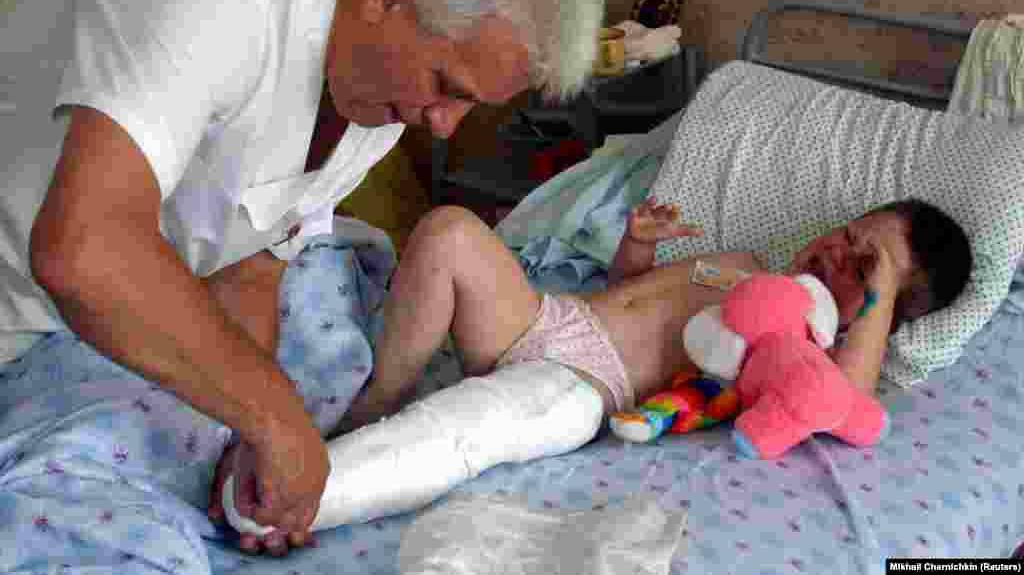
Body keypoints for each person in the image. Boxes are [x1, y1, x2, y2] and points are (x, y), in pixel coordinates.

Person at [0, 0, 602, 557]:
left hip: (98, 317)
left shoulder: (375, 99)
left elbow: (253, 265)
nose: (442, 126)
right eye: (446, 86)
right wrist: (274, 416)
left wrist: (241, 437)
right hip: (24, 315)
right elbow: (82, 249)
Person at [217, 196, 970, 535]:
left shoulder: (804, 351)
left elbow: (843, 394)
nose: (838, 251)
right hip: (552, 319)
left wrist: (873, 296)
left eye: (861, 262)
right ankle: (376, 394)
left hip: (585, 384)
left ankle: (300, 497)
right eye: (846, 234)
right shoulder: (744, 263)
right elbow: (627, 296)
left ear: (884, 305)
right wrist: (638, 249)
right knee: (448, 229)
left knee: (454, 431)